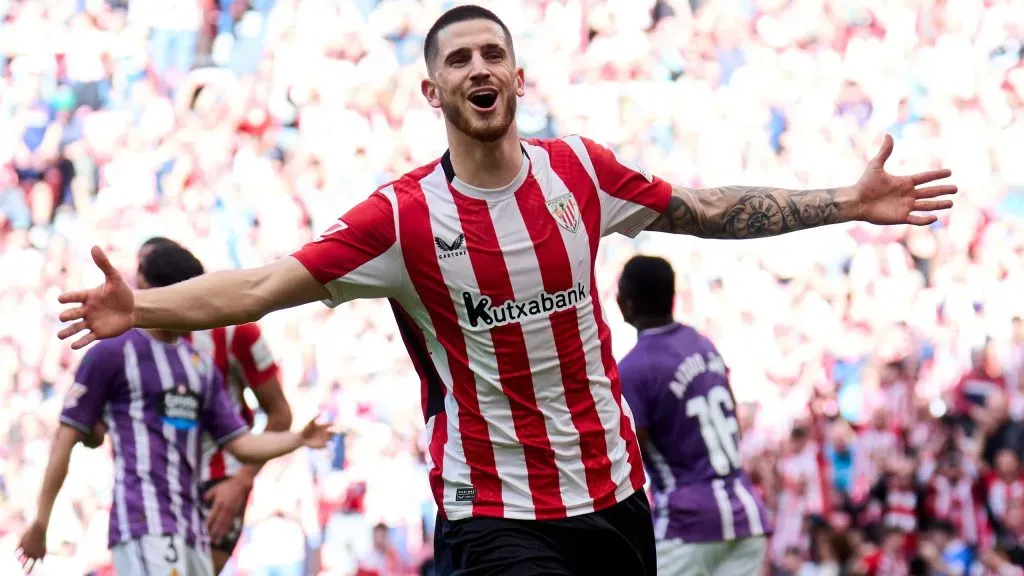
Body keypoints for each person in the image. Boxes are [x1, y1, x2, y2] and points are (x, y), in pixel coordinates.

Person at [53, 5, 956, 574]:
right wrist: (145, 310)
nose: (480, 69)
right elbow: (264, 286)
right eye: (460, 60)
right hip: (494, 514)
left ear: (519, 76)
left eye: (494, 54)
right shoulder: (402, 217)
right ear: (431, 89)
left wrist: (847, 201)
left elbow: (704, 208)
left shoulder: (579, 174)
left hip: (614, 501)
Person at [17, 242, 335, 575]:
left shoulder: (200, 366)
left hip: (192, 528)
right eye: (192, 296)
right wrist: (41, 522)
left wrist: (299, 439)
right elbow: (67, 436)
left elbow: (240, 444)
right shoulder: (112, 354)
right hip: (145, 523)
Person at [138, 236, 294, 575]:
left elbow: (280, 415)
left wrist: (242, 481)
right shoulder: (137, 340)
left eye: (142, 279)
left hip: (219, 484)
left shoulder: (237, 332)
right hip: (158, 487)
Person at [615, 255, 771, 575]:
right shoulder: (703, 344)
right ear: (672, 297)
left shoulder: (633, 369)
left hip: (688, 524)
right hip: (745, 515)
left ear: (626, 303)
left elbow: (630, 449)